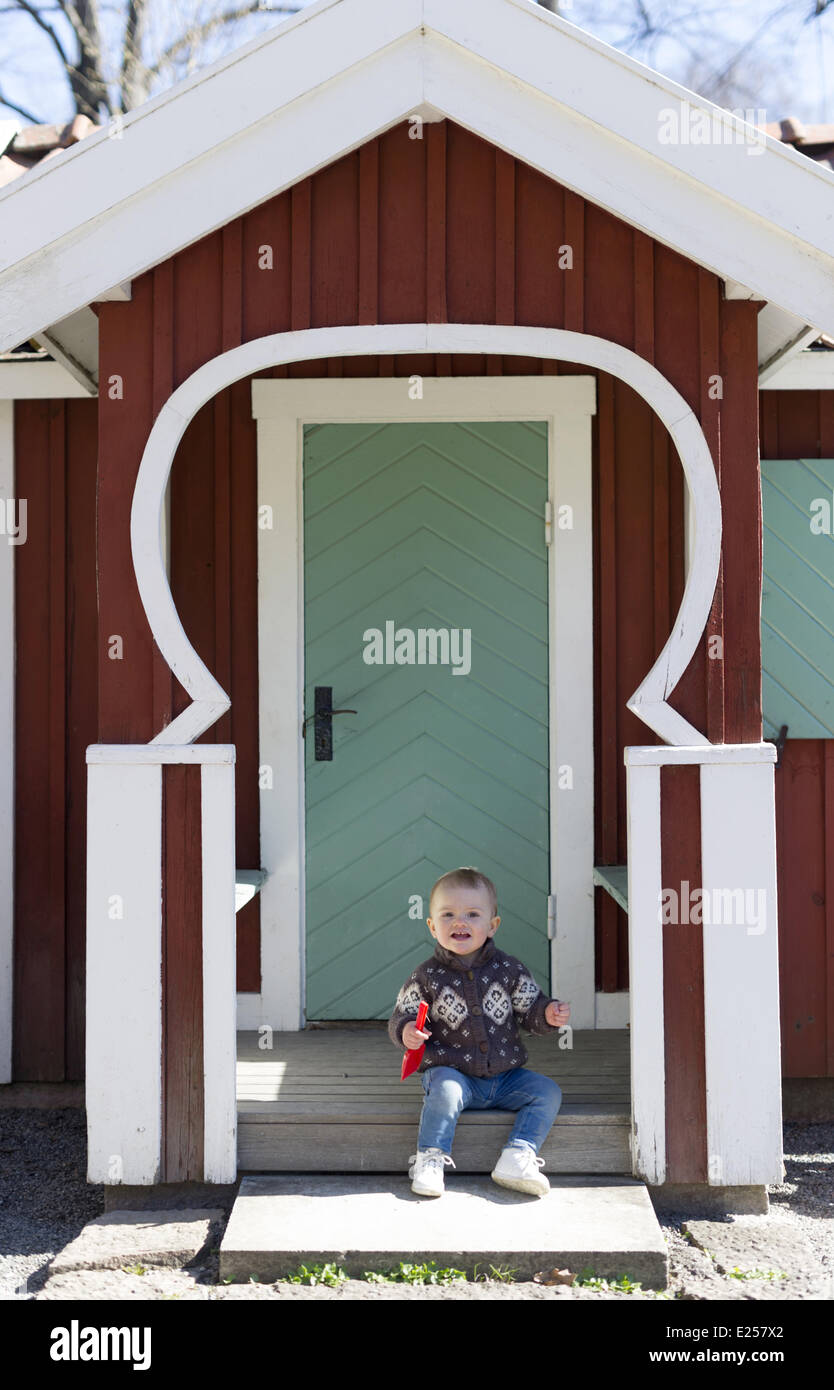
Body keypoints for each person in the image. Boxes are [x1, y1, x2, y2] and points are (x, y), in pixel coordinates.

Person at [388, 866, 571, 1198]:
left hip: (504, 1078)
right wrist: (407, 1032)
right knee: (442, 1090)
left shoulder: (508, 969)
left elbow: (530, 1008)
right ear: (432, 926)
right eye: (448, 915)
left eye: (472, 914)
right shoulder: (427, 975)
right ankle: (430, 1158)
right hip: (454, 1074)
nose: (460, 922)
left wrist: (546, 1013)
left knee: (547, 1092)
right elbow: (404, 1013)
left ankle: (518, 1154)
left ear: (492, 925)